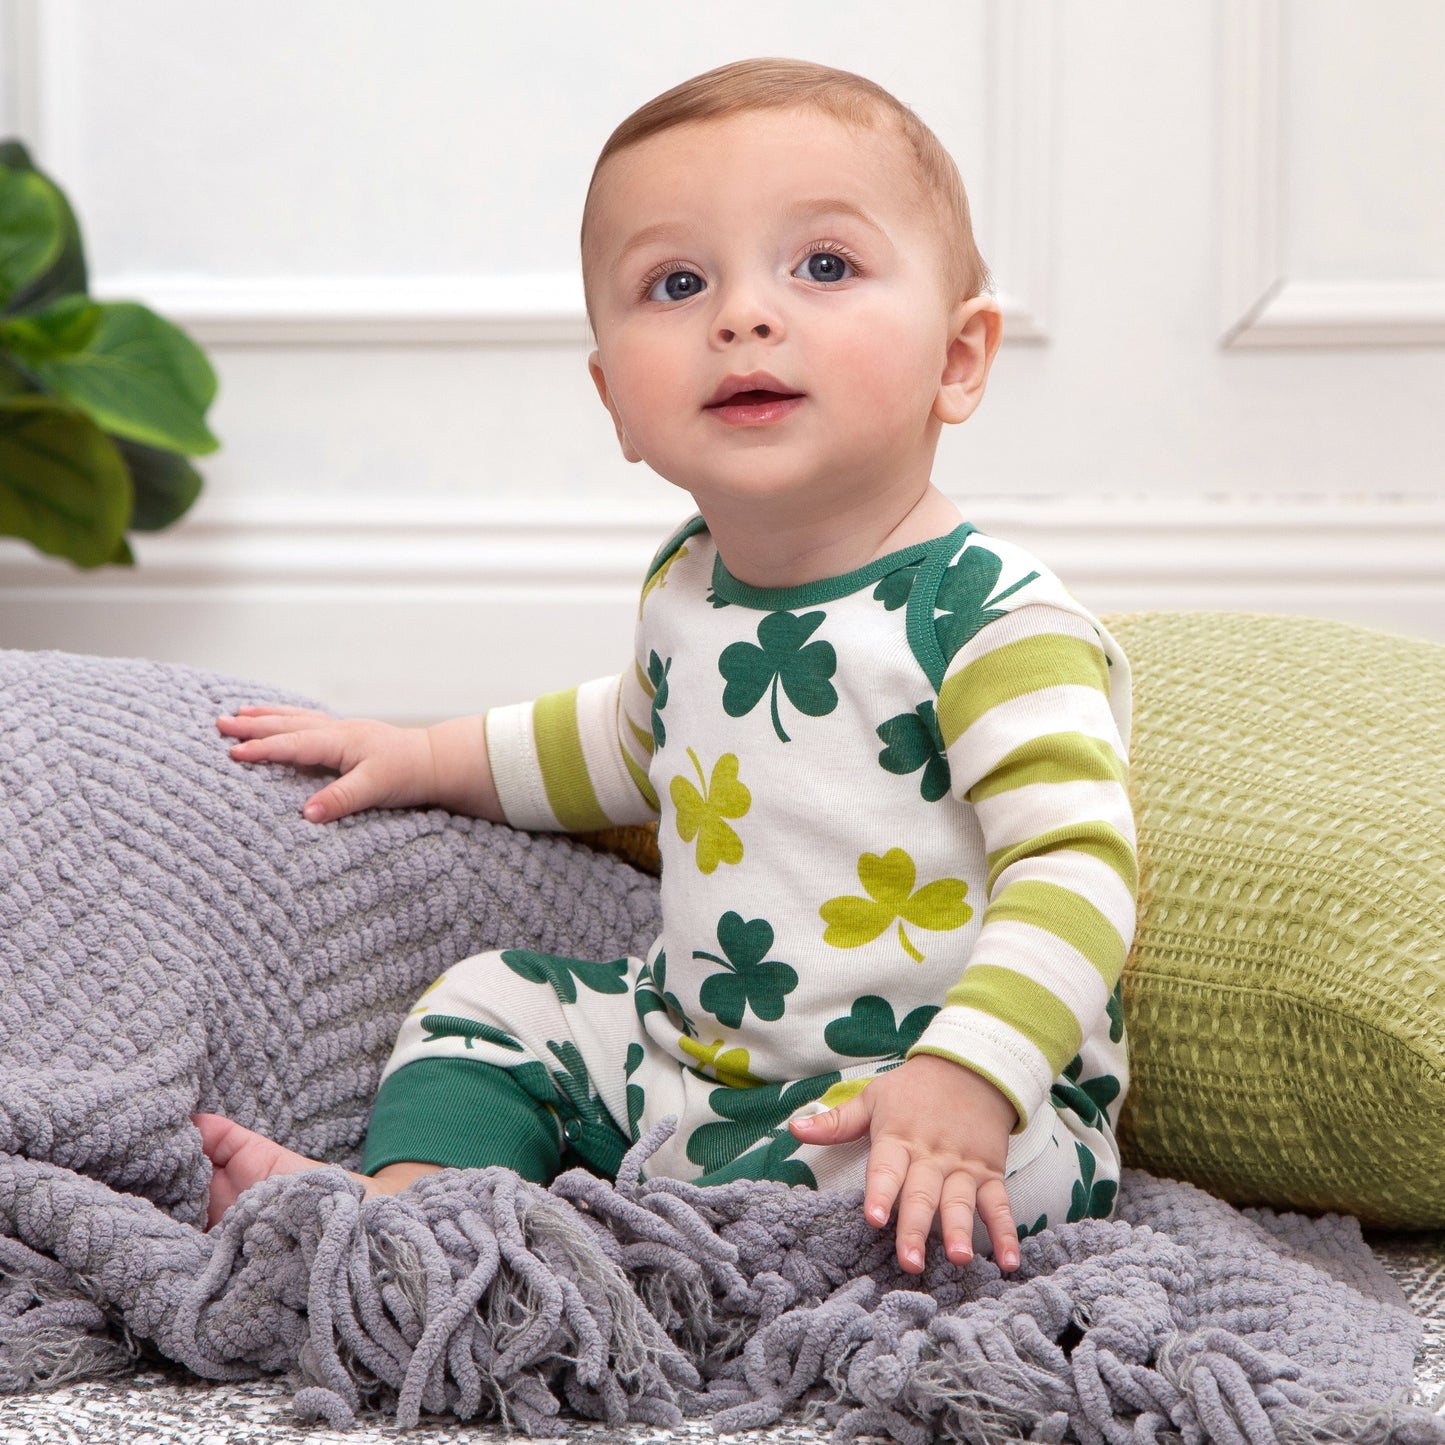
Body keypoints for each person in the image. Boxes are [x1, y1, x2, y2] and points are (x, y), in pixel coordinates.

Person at [195, 56, 1136, 1279]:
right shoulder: (687, 584)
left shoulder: (990, 618)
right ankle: (412, 1218)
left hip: (930, 1101)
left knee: (949, 1197)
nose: (741, 315)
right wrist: (420, 751)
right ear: (617, 404)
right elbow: (622, 742)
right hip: (691, 1056)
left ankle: (564, 1259)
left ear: (957, 359)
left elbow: (1075, 864)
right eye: (676, 282)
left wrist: (969, 1071)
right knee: (488, 997)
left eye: (824, 266)